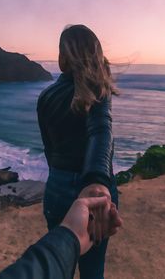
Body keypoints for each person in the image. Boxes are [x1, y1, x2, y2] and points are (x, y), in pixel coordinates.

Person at [37, 24, 120, 279]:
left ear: (63, 59)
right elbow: (101, 130)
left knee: (59, 261)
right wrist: (97, 181)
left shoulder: (46, 96)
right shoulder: (98, 90)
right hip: (94, 188)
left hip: (57, 186)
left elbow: (49, 148)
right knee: (92, 270)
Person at [0, 196, 122, 279]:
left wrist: (70, 236)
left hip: (58, 179)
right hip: (64, 180)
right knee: (93, 271)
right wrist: (98, 180)